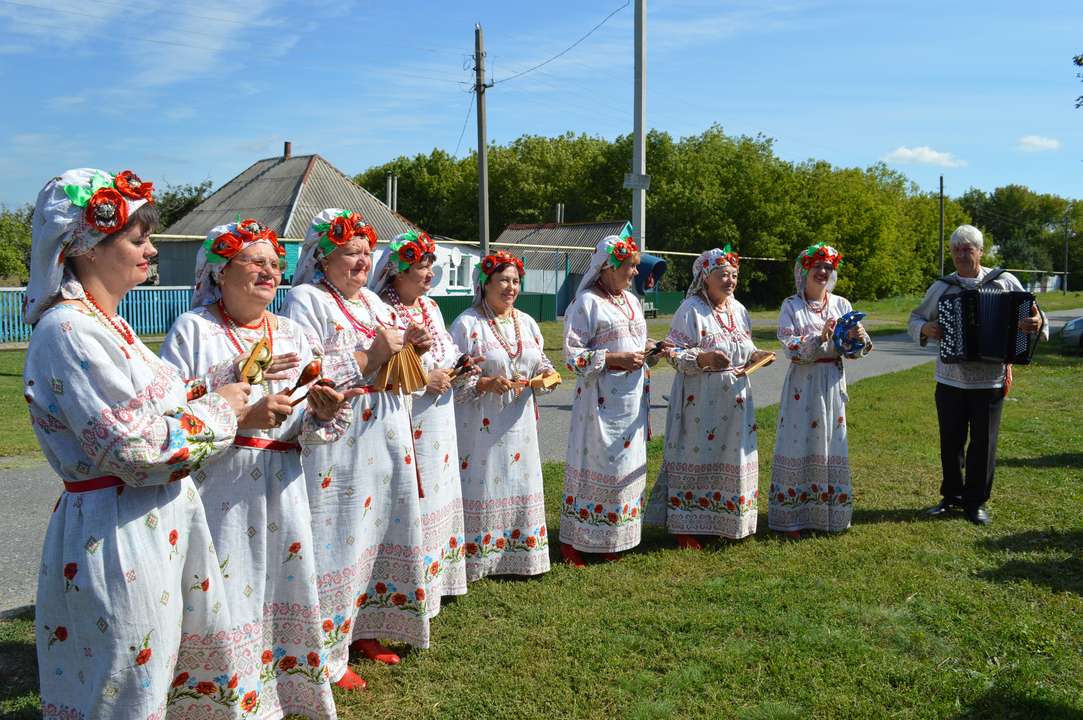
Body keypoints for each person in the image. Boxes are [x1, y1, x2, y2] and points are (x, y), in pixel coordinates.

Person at [24, 169, 256, 717]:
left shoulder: (110, 324)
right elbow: (133, 449)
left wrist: (221, 382)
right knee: (126, 682)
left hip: (158, 519)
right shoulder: (67, 330)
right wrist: (223, 408)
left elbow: (162, 398)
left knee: (163, 670)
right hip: (117, 530)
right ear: (85, 246)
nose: (151, 250)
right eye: (137, 239)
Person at [161, 219, 353, 713]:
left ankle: (285, 690)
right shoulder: (194, 329)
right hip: (220, 483)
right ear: (222, 271)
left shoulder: (291, 331)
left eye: (275, 263)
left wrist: (323, 412)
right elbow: (174, 411)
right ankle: (220, 698)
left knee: (280, 582)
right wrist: (242, 402)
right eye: (256, 261)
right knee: (225, 585)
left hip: (283, 481)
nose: (270, 271)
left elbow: (313, 413)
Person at [281, 208, 431, 684]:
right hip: (340, 437)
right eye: (351, 253)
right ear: (323, 256)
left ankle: (368, 628)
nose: (363, 261)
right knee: (340, 536)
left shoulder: (373, 302)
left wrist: (413, 348)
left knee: (381, 529)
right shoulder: (306, 300)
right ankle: (326, 650)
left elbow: (392, 360)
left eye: (367, 253)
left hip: (386, 430)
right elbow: (307, 372)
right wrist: (373, 354)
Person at [909, 224, 1046, 525]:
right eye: (956, 249)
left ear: (980, 252)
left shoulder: (1004, 282)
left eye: (967, 248)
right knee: (951, 440)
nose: (961, 254)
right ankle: (951, 497)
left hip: (990, 379)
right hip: (950, 378)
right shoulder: (942, 287)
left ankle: (976, 502)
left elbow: (1036, 314)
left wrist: (1035, 323)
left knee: (984, 443)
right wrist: (924, 328)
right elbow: (916, 317)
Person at [645, 247, 772, 546]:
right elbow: (672, 352)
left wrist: (758, 355)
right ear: (706, 276)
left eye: (734, 275)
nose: (730, 280)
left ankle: (725, 521)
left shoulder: (738, 310)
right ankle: (688, 526)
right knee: (697, 455)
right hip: (700, 399)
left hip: (737, 402)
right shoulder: (691, 309)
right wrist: (703, 359)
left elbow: (744, 347)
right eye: (723, 274)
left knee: (731, 457)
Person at [371, 230, 468, 617]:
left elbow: (447, 348)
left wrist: (459, 365)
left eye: (431, 265)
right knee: (415, 495)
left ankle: (438, 578)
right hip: (409, 415)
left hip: (440, 416)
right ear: (396, 270)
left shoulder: (431, 308)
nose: (429, 273)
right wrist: (423, 380)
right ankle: (412, 583)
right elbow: (384, 369)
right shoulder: (384, 309)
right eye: (420, 266)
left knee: (440, 491)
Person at [560, 234, 669, 566]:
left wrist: (652, 350)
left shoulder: (631, 301)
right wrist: (612, 359)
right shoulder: (586, 303)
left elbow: (633, 343)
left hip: (631, 402)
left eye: (636, 266)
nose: (636, 273)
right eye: (630, 266)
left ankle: (614, 538)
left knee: (624, 468)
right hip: (599, 401)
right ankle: (576, 542)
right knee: (598, 466)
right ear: (608, 266)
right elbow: (572, 356)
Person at [449, 251, 557, 580]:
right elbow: (453, 376)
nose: (510, 287)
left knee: (518, 479)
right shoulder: (467, 323)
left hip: (519, 424)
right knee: (484, 480)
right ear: (485, 284)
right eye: (503, 281)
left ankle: (520, 554)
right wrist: (483, 382)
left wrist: (548, 377)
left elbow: (542, 364)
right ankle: (480, 559)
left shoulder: (526, 322)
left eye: (515, 281)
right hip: (480, 425)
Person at [769, 242, 871, 537]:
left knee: (831, 442)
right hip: (803, 382)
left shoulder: (842, 304)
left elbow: (852, 352)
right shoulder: (791, 306)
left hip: (831, 382)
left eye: (828, 267)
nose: (823, 272)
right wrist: (819, 337)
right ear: (804, 271)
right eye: (818, 267)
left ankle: (829, 515)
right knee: (798, 443)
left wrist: (858, 338)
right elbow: (791, 347)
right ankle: (791, 518)